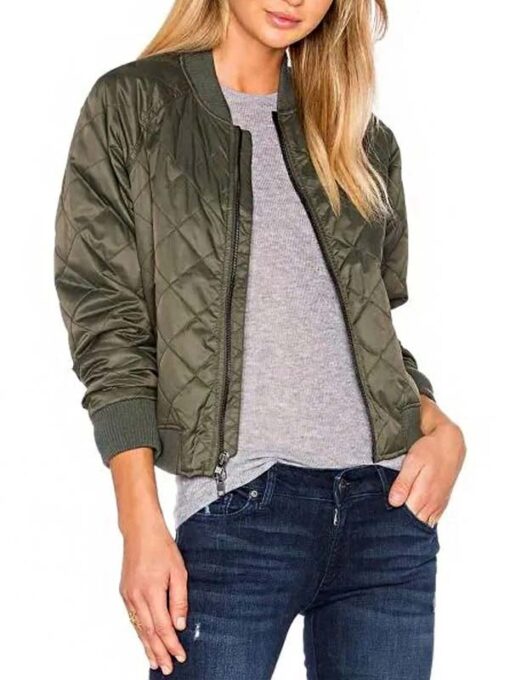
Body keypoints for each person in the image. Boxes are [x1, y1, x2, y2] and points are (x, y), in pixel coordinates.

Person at [53, 1, 466, 678]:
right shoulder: (135, 106)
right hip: (238, 511)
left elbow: (369, 331)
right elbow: (107, 322)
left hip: (388, 516)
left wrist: (441, 428)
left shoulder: (361, 138)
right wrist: (139, 522)